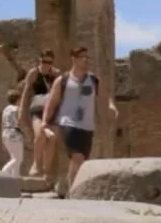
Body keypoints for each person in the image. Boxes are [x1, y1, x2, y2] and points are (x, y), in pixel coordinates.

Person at [42, 45, 118, 192]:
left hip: (87, 126)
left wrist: (111, 107)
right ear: (74, 59)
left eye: (86, 57)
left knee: (80, 161)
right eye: (82, 57)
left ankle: (67, 186)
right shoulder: (63, 80)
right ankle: (75, 192)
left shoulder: (94, 80)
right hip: (67, 123)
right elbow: (52, 102)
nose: (85, 60)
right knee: (77, 157)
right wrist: (45, 121)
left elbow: (104, 96)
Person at [18, 50, 60, 178]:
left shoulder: (56, 74)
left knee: (52, 138)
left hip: (52, 110)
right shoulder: (34, 73)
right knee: (40, 134)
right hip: (37, 109)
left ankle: (46, 170)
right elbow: (26, 92)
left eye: (49, 62)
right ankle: (36, 164)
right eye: (44, 61)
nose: (46, 64)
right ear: (39, 60)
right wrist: (21, 111)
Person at [0, 88, 25, 176]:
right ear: (18, 99)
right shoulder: (17, 109)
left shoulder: (5, 109)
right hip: (15, 133)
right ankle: (3, 172)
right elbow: (20, 122)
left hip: (6, 133)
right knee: (18, 159)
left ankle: (14, 177)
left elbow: (3, 123)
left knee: (14, 157)